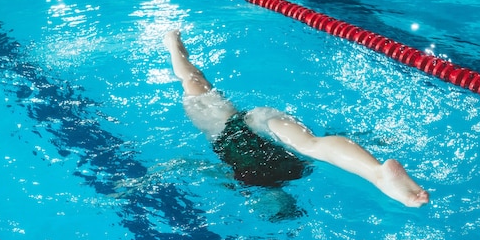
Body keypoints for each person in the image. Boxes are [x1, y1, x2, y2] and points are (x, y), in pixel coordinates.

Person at [164, 29, 429, 208]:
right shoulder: (255, 180)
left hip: (237, 128)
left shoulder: (289, 175)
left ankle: (172, 43)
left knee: (311, 147)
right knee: (310, 145)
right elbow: (192, 165)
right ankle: (376, 173)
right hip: (244, 125)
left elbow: (191, 165)